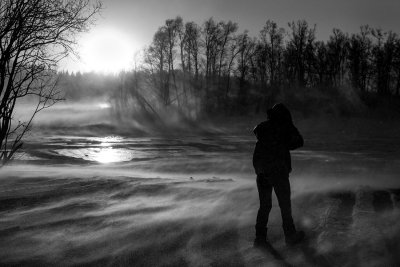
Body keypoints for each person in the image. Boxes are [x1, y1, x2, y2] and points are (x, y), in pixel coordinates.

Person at [252, 103, 305, 247]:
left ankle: (260, 238)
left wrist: (259, 170)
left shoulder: (263, 128)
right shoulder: (284, 128)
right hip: (279, 172)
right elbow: (298, 142)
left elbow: (258, 153)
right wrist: (291, 126)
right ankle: (290, 236)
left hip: (262, 172)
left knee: (265, 206)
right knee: (285, 205)